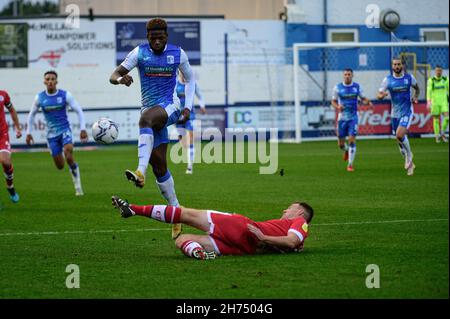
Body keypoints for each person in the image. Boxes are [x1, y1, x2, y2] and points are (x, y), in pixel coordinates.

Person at [109, 18, 196, 240]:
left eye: (160, 36)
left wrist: (188, 106)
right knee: (160, 167)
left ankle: (139, 171)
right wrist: (122, 79)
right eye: (152, 36)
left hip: (170, 107)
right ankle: (176, 213)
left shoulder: (178, 53)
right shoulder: (139, 53)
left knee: (145, 119)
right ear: (147, 37)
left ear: (166, 36)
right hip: (152, 113)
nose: (156, 40)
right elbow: (113, 75)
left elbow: (191, 78)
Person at [111, 195, 313, 260]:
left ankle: (133, 209)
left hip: (245, 228)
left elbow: (292, 240)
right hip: (245, 249)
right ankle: (198, 252)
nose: (285, 211)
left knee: (186, 214)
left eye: (290, 209)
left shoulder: (301, 223)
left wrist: (262, 236)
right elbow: (292, 244)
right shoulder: (292, 230)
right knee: (181, 239)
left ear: (300, 214)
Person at [26, 71, 88, 196]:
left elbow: (79, 110)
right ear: (44, 82)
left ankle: (78, 187)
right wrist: (28, 132)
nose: (50, 81)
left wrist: (82, 129)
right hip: (51, 136)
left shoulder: (65, 95)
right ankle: (64, 156)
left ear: (56, 81)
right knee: (60, 166)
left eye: (52, 79)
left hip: (65, 130)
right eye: (48, 79)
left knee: (69, 156)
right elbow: (31, 115)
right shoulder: (40, 97)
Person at [377, 58, 420, 176]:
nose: (396, 66)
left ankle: (410, 154)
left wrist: (415, 96)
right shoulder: (388, 80)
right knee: (400, 143)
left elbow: (417, 88)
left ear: (402, 65)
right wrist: (382, 95)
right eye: (395, 64)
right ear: (392, 66)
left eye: (398, 64)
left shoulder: (409, 78)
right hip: (394, 114)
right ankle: (410, 163)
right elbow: (379, 94)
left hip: (407, 111)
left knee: (400, 134)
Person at [331, 69, 373, 172]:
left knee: (352, 140)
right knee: (341, 144)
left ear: (352, 75)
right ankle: (346, 150)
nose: (347, 76)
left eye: (349, 74)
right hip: (342, 118)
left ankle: (350, 164)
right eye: (345, 74)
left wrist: (368, 102)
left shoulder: (357, 87)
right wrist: (338, 106)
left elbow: (363, 98)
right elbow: (333, 101)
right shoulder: (337, 87)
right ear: (343, 76)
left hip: (353, 117)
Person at [175, 71, 206, 174]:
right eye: (181, 74)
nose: (183, 76)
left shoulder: (192, 83)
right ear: (179, 74)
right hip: (178, 116)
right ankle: (181, 139)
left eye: (185, 74)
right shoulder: (175, 84)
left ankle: (190, 167)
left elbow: (200, 95)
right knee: (184, 144)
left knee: (191, 138)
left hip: (190, 115)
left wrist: (202, 105)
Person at [0, 90, 22, 203]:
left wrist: (18, 128)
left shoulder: (3, 94)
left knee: (6, 162)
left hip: (2, 135)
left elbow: (11, 110)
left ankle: (10, 186)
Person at [427, 65, 449, 143]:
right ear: (435, 71)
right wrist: (428, 102)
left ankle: (442, 132)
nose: (438, 72)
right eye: (437, 70)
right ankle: (437, 136)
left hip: (444, 102)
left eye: (440, 70)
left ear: (442, 71)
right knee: (436, 119)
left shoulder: (446, 79)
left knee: (447, 118)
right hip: (435, 102)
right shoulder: (431, 80)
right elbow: (429, 92)